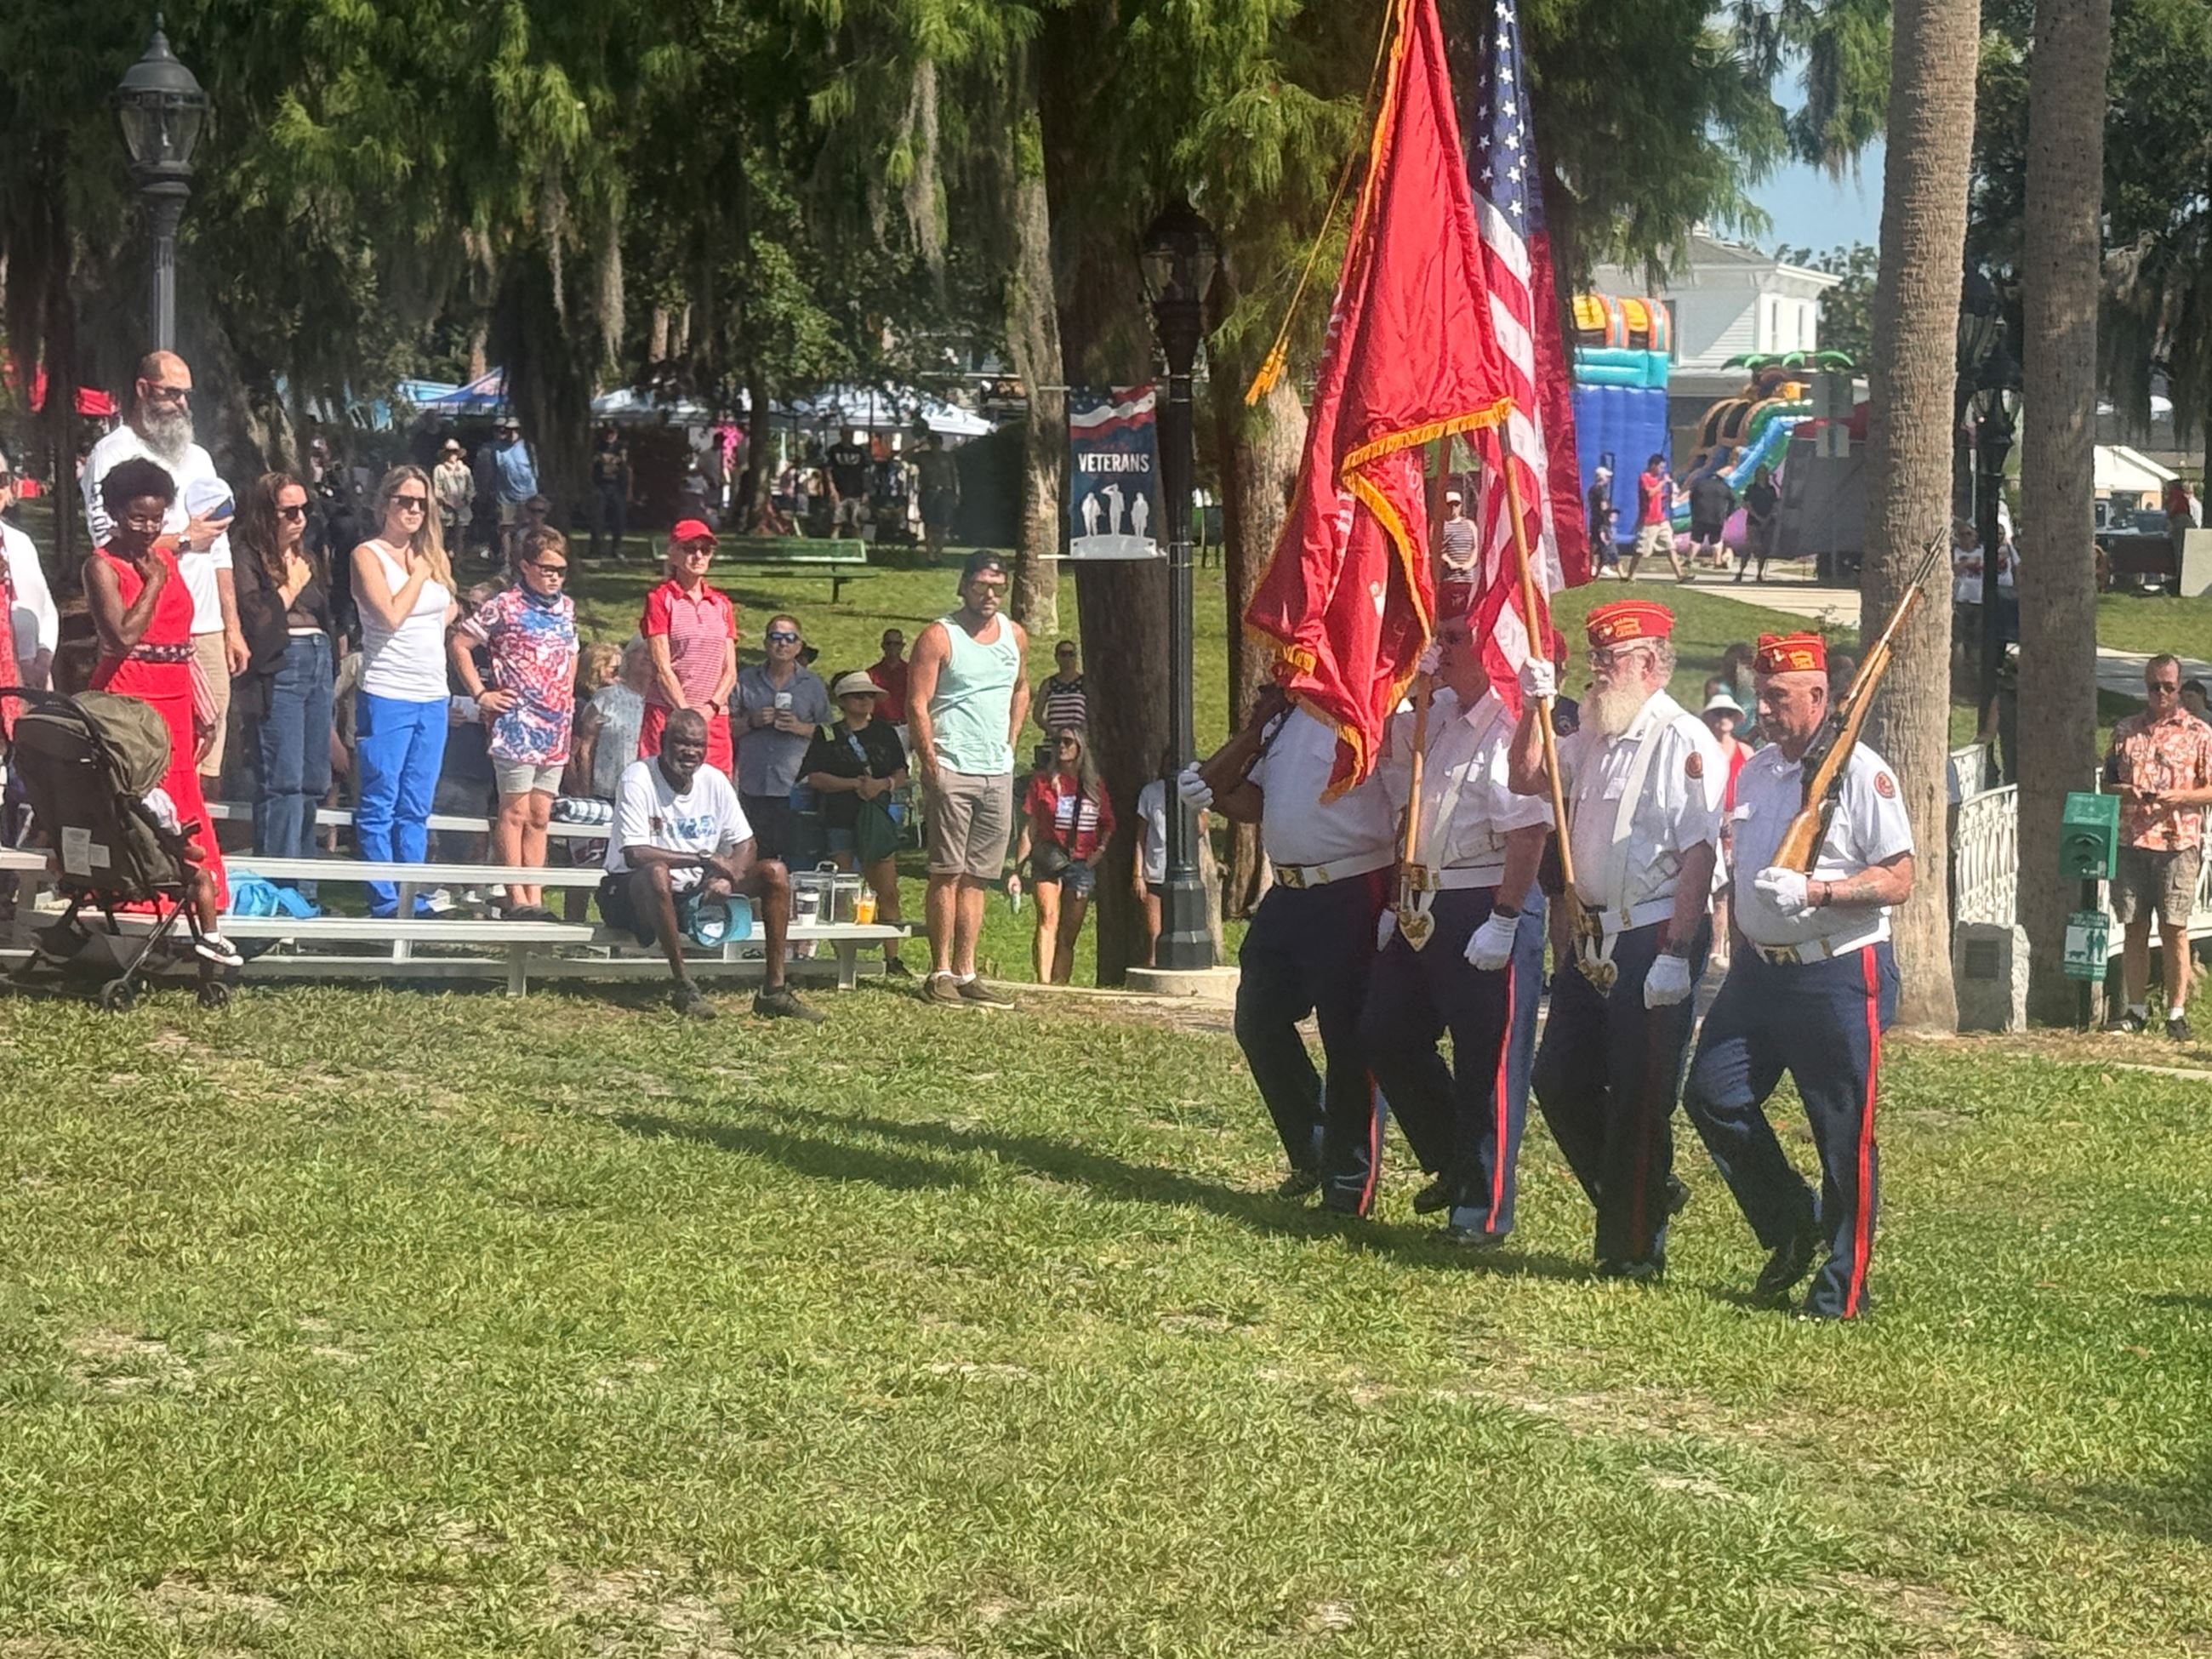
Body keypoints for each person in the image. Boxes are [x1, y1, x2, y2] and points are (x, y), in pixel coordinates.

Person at [1682, 630, 1913, 1321]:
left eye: (1778, 696)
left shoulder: (1862, 772)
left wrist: (1820, 893)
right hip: (1759, 973)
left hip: (1836, 971)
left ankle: (1844, 1285)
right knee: (1712, 1094)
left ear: (1819, 696)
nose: (1764, 708)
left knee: (1842, 1130)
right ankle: (1792, 1223)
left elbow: (1899, 878)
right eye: (1760, 694)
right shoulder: (1756, 772)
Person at [1512, 602, 1723, 1279]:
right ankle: (1645, 1192)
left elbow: (1699, 854)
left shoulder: (1681, 738)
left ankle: (1631, 1250)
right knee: (1558, 1079)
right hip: (1594, 937)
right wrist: (1532, 708)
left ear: (1651, 664)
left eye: (1611, 659)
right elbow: (1528, 778)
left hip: (1652, 931)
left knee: (1639, 1091)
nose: (1598, 670)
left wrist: (1676, 952)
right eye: (1597, 658)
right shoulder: (1595, 735)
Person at [1363, 617, 1553, 1247]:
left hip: (1485, 899)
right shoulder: (1433, 716)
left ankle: (1482, 1208)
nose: (1438, 649)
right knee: (1384, 1033)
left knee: (1487, 1061)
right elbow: (1391, 776)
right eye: (1438, 637)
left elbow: (1529, 831)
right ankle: (1453, 1156)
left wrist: (1506, 918)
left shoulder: (1511, 729)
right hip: (1424, 898)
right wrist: (1405, 686)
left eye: (1453, 639)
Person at [1182, 687, 1394, 1214]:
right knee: (1258, 1019)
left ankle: (1349, 1180)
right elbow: (1242, 800)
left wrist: (1398, 898)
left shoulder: (1371, 708)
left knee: (1348, 1038)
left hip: (1352, 885)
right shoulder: (1287, 718)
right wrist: (1255, 732)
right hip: (1289, 892)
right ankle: (1315, 1148)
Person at [82, 351, 247, 795]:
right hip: (143, 634)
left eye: (185, 395)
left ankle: (197, 831)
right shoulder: (111, 453)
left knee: (207, 754)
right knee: (145, 765)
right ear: (143, 390)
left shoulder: (199, 458)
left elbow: (220, 546)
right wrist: (185, 539)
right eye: (172, 393)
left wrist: (232, 626)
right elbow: (109, 544)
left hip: (205, 627)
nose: (181, 404)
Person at [600, 707, 820, 1022]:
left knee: (775, 872)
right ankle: (683, 986)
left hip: (693, 889)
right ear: (662, 741)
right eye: (681, 743)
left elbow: (746, 843)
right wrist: (705, 859)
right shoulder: (638, 778)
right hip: (632, 895)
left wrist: (728, 878)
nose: (690, 752)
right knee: (657, 872)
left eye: (698, 745)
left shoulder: (714, 780)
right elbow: (635, 854)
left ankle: (774, 990)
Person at [81, 458, 227, 906]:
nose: (148, 528)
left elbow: (182, 635)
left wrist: (203, 706)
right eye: (137, 518)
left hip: (176, 692)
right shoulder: (101, 565)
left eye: (157, 518)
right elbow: (121, 636)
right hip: (128, 696)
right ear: (114, 513)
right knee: (135, 794)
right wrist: (153, 584)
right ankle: (136, 896)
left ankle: (191, 897)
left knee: (181, 794)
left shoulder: (164, 557)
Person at [908, 550, 1029, 1006]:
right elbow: (917, 703)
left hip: (996, 771)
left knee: (979, 876)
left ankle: (966, 971)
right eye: (981, 586)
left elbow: (1021, 688)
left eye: (998, 587)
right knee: (947, 871)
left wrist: (1011, 741)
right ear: (964, 586)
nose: (989, 595)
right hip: (951, 767)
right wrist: (931, 764)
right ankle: (939, 971)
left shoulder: (1015, 635)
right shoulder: (940, 636)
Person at [453, 525, 579, 921]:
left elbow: (572, 651)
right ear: (526, 566)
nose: (554, 577)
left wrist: (567, 697)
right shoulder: (505, 605)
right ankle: (516, 896)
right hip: (517, 723)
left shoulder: (567, 608)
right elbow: (460, 643)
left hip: (555, 725)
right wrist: (482, 694)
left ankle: (535, 895)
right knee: (515, 811)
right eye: (546, 569)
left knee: (541, 815)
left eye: (560, 570)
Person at [350, 465, 459, 919]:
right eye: (404, 501)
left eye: (421, 503)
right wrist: (418, 574)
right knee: (380, 798)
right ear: (385, 504)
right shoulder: (368, 555)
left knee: (416, 803)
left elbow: (448, 607)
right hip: (387, 690)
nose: (414, 510)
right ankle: (384, 900)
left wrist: (430, 579)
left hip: (431, 692)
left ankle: (411, 895)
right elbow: (390, 614)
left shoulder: (431, 556)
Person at [231, 471, 338, 888]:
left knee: (313, 780)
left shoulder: (307, 557)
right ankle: (280, 888)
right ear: (266, 514)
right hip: (281, 664)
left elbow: (327, 614)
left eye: (304, 510)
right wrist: (290, 587)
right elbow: (257, 620)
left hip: (317, 659)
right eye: (288, 511)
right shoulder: (246, 555)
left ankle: (304, 889)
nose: (299, 519)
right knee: (284, 780)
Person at [2102, 653, 2212, 1040]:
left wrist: (2181, 796)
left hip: (2178, 842)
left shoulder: (2199, 733)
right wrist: (2128, 791)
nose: (2161, 693)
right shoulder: (2125, 730)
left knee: (2174, 928)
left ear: (2179, 688)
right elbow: (2107, 782)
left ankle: (2175, 1013)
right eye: (2154, 687)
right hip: (2132, 841)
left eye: (2168, 687)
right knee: (2134, 925)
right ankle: (2135, 1010)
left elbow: (2210, 789)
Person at [802, 671, 911, 977]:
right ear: (843, 701)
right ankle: (844, 956)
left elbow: (901, 771)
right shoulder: (826, 734)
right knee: (842, 888)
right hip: (840, 817)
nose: (865, 701)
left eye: (869, 696)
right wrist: (853, 784)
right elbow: (814, 777)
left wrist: (883, 785)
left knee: (887, 888)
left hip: (876, 819)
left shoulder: (885, 733)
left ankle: (892, 958)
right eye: (858, 696)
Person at [1009, 726, 1116, 983]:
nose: (1061, 747)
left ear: (1080, 747)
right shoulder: (1042, 782)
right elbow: (1030, 827)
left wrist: (1099, 851)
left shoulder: (1093, 786)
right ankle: (1044, 982)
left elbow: (1108, 824)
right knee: (1047, 919)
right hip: (1049, 855)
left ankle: (1060, 982)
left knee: (1069, 932)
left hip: (1081, 861)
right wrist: (1017, 870)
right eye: (1057, 741)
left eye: (1067, 741)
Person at [640, 520, 739, 774]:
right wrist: (686, 714)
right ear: (673, 553)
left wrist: (710, 709)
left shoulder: (721, 604)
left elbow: (730, 671)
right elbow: (662, 667)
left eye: (705, 550)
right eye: (689, 549)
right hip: (668, 713)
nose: (698, 556)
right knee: (660, 784)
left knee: (716, 786)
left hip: (714, 717)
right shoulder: (660, 599)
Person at [734, 613, 832, 858]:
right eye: (776, 637)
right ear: (766, 643)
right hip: (752, 785)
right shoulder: (745, 680)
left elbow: (832, 734)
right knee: (753, 859)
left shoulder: (813, 685)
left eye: (790, 638)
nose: (782, 643)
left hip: (796, 787)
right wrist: (751, 721)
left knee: (795, 859)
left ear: (799, 646)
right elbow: (723, 729)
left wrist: (800, 728)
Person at [0, 450, 59, 689]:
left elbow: (47, 610)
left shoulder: (20, 542)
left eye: (1, 479)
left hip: (33, 682)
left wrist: (42, 660)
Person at [571, 640, 651, 807]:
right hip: (606, 793)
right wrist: (586, 792)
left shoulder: (661, 704)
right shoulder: (605, 698)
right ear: (628, 657)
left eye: (652, 652)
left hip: (648, 796)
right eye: (641, 651)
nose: (647, 656)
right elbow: (586, 748)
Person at [1623, 453, 1686, 584]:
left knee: (1670, 547)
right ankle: (1630, 575)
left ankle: (1680, 575)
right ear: (1653, 465)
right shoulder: (1644, 477)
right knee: (1641, 550)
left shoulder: (1657, 480)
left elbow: (1658, 496)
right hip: (1649, 521)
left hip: (1661, 520)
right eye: (1661, 467)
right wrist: (1663, 482)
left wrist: (1669, 494)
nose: (1662, 470)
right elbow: (1650, 493)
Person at [491, 423, 539, 560]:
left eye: (516, 430)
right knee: (505, 528)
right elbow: (494, 471)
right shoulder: (497, 448)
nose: (512, 433)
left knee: (528, 527)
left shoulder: (529, 447)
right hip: (505, 496)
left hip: (528, 495)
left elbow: (536, 471)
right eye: (509, 430)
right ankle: (507, 561)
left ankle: (527, 558)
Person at [588, 425, 631, 561]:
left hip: (617, 487)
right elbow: (591, 466)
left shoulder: (621, 448)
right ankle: (595, 549)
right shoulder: (597, 447)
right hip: (600, 486)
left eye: (612, 434)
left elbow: (628, 469)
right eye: (607, 433)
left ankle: (616, 549)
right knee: (597, 519)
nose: (610, 436)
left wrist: (629, 489)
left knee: (618, 519)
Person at [916, 431, 961, 557]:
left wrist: (956, 493)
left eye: (937, 443)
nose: (935, 446)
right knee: (929, 522)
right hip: (929, 491)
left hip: (945, 491)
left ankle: (939, 550)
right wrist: (919, 445)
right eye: (933, 443)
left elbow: (954, 476)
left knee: (943, 523)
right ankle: (930, 550)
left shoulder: (948, 457)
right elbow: (904, 457)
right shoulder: (923, 456)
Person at [826, 425, 871, 534]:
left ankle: (864, 542)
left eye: (851, 433)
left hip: (857, 491)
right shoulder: (834, 450)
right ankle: (834, 543)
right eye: (846, 433)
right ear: (841, 434)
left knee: (858, 522)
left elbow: (865, 472)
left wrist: (866, 491)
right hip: (840, 491)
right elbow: (828, 471)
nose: (849, 436)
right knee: (837, 522)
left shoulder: (859, 451)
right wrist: (832, 489)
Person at [1687, 467, 1736, 570]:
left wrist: (1694, 512)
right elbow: (1733, 500)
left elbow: (1692, 498)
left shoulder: (1700, 485)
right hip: (1717, 518)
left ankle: (1689, 560)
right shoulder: (1724, 487)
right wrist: (1728, 514)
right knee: (1716, 541)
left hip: (1700, 517)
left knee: (1696, 540)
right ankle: (1717, 562)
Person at [1035, 641, 1086, 735]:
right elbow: (1037, 715)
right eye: (1063, 654)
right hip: (1054, 737)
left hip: (1078, 737)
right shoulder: (1048, 684)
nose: (1067, 658)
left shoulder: (1084, 683)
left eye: (1071, 654)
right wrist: (1052, 731)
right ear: (1056, 658)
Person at [1738, 465, 1779, 583]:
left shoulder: (1771, 489)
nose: (1762, 475)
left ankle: (1759, 573)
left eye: (1764, 473)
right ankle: (1741, 571)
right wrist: (1758, 517)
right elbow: (1747, 504)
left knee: (1763, 549)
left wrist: (1768, 518)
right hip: (1753, 521)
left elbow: (1775, 505)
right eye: (1760, 472)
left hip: (1768, 521)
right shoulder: (1751, 488)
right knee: (1751, 545)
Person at [431, 440, 473, 548]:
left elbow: (471, 488)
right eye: (449, 451)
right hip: (445, 509)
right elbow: (437, 488)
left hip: (463, 508)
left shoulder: (465, 470)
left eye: (454, 451)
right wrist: (446, 501)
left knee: (460, 538)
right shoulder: (439, 469)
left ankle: (459, 558)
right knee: (443, 538)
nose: (452, 454)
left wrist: (466, 500)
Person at [867, 629, 909, 725]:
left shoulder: (911, 672)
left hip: (905, 725)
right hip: (879, 726)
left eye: (897, 644)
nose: (892, 647)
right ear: (883, 646)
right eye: (889, 643)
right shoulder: (872, 673)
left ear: (902, 646)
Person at [1584, 465, 1617, 576]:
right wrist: (1609, 515)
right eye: (1607, 477)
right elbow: (1603, 506)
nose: (1608, 479)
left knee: (1594, 543)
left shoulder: (1592, 489)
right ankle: (1603, 565)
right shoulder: (1601, 490)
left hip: (1594, 519)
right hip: (1602, 521)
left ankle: (1592, 565)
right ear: (1601, 477)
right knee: (1604, 544)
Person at [1438, 489, 1478, 578]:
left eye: (1456, 505)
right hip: (1448, 578)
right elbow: (1436, 549)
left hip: (1468, 578)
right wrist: (1449, 562)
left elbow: (1475, 548)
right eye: (1450, 505)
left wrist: (1469, 564)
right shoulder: (1440, 526)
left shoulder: (1470, 525)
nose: (1453, 508)